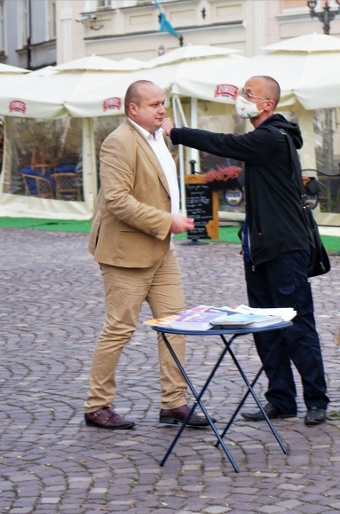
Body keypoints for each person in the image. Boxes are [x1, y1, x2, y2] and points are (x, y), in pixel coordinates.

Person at [162, 75, 330, 427]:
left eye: (248, 94)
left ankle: (317, 400)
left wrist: (176, 132)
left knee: (297, 325)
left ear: (267, 104)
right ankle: (281, 400)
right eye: (242, 93)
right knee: (266, 328)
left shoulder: (271, 137)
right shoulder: (266, 138)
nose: (241, 98)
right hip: (260, 248)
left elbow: (226, 143)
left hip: (285, 247)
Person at [84, 79, 209, 430]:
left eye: (163, 103)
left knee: (175, 325)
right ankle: (97, 405)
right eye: (154, 104)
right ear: (132, 109)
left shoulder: (158, 138)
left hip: (161, 250)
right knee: (119, 329)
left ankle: (174, 403)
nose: (161, 109)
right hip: (125, 251)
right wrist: (166, 221)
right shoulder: (118, 142)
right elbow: (117, 200)